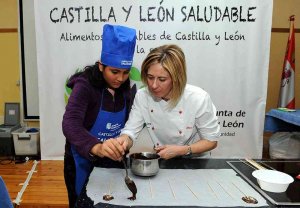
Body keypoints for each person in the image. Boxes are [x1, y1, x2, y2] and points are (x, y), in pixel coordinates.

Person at [62, 24, 136, 208]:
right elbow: (70, 123)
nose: (120, 78)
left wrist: (124, 142)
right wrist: (97, 146)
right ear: (101, 66)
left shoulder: (125, 88)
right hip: (82, 160)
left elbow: (130, 124)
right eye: (115, 72)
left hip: (114, 161)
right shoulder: (84, 86)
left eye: (126, 73)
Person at [117, 44, 220, 159]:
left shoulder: (198, 98)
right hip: (163, 158)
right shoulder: (143, 96)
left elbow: (211, 141)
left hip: (196, 160)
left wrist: (183, 150)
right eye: (150, 77)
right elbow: (131, 130)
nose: (154, 85)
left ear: (176, 78)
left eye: (162, 79)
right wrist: (124, 140)